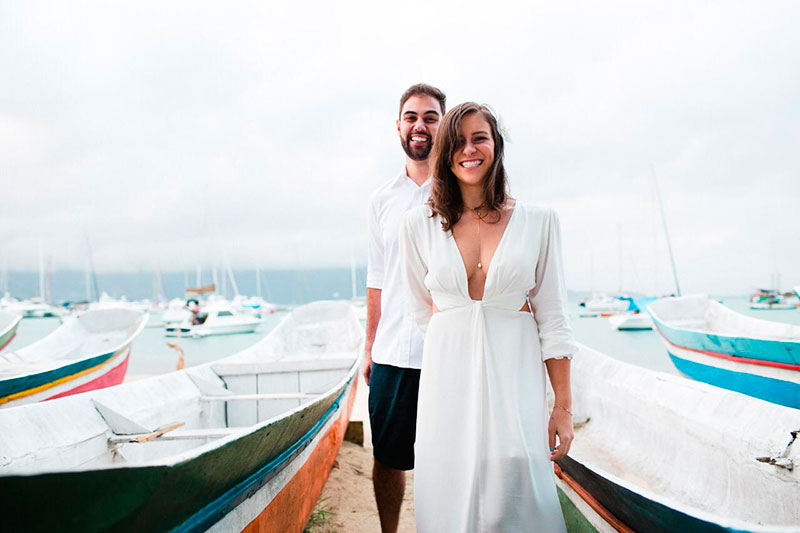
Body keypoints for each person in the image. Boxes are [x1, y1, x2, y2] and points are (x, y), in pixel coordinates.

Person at [399, 102, 577, 532]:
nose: (469, 150)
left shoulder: (539, 221)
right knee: (448, 488)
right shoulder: (417, 224)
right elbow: (421, 307)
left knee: (516, 491)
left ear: (496, 146)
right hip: (448, 380)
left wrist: (563, 407)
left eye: (479, 138)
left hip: (514, 375)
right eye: (457, 142)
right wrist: (457, 338)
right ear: (444, 153)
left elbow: (552, 317)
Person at [364, 83, 446, 533]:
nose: (420, 125)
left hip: (447, 351)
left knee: (448, 458)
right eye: (412, 116)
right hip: (393, 350)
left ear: (444, 125)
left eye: (431, 117)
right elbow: (377, 280)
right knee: (387, 458)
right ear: (399, 125)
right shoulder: (381, 200)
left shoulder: (460, 192)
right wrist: (368, 347)